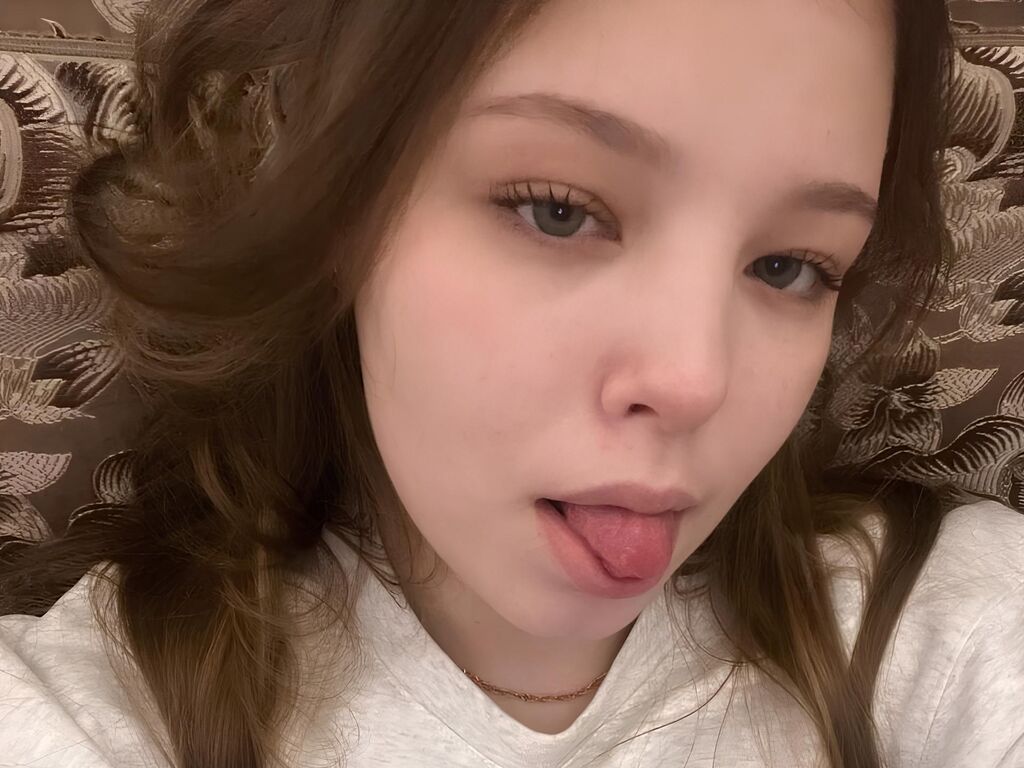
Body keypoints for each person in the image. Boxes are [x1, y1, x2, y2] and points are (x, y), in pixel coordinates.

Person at [1, 0, 1022, 766]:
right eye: (557, 210)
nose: (694, 381)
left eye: (792, 267)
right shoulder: (93, 713)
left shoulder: (947, 627)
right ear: (338, 200)